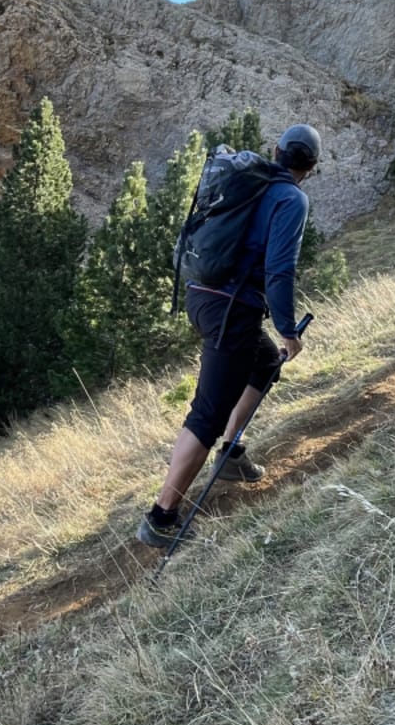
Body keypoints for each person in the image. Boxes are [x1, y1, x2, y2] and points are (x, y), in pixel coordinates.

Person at [135, 124, 320, 548]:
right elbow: (279, 270)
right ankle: (161, 518)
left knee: (265, 360)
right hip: (231, 309)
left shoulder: (249, 186)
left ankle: (232, 454)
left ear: (276, 152)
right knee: (206, 416)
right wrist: (289, 330)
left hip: (200, 295)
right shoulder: (291, 198)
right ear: (310, 167)